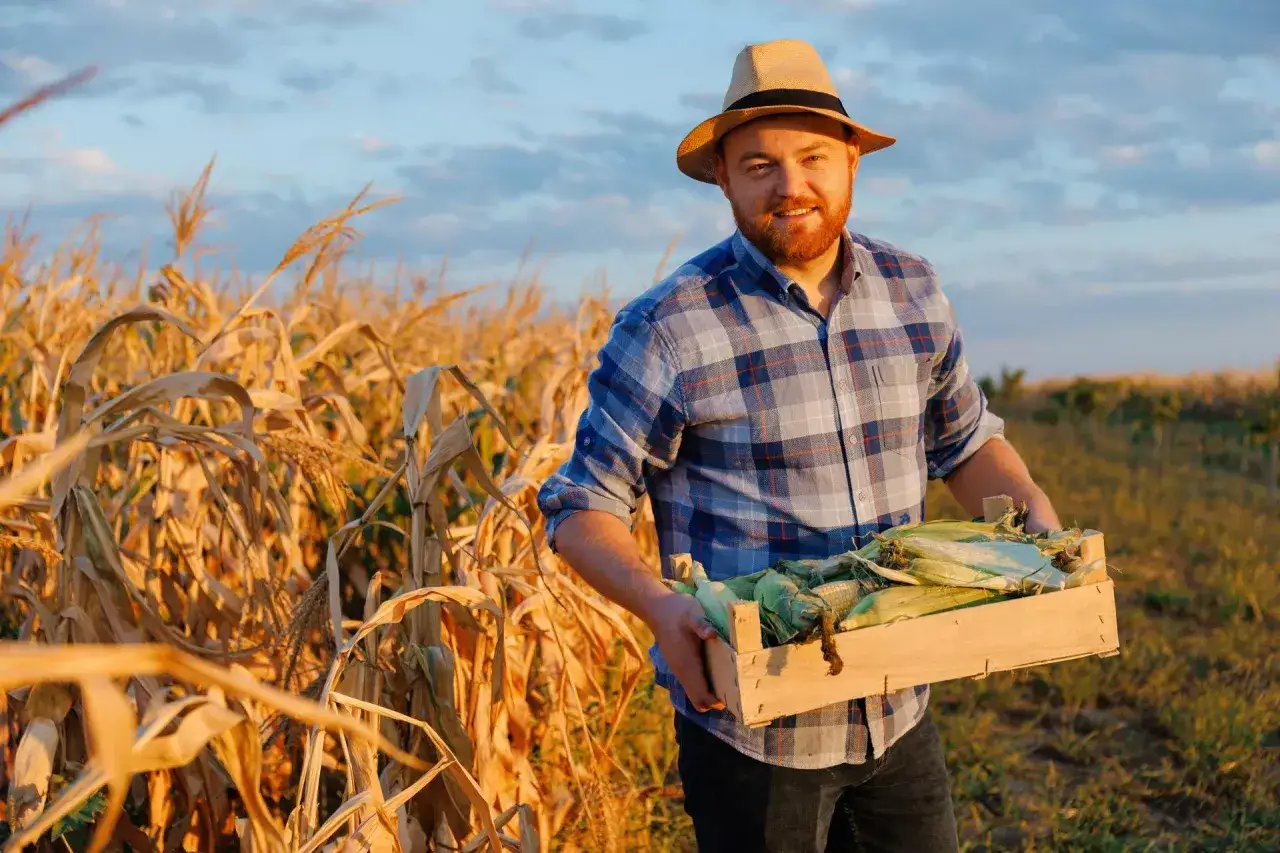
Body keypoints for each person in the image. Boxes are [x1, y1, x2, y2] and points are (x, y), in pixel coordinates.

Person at [536, 38, 1062, 853]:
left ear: (852, 158)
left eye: (814, 156)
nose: (791, 185)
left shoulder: (914, 291)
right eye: (759, 165)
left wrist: (1036, 528)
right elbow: (580, 505)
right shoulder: (670, 327)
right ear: (722, 176)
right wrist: (663, 606)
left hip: (898, 708)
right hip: (757, 735)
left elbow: (964, 446)